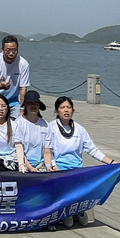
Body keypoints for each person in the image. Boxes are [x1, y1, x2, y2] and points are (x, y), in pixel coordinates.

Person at [44, 96, 115, 226]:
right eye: (62, 107)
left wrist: (110, 162)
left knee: (84, 188)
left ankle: (79, 211)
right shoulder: (51, 128)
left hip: (77, 169)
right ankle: (66, 213)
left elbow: (92, 150)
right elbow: (48, 151)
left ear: (73, 110)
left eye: (69, 107)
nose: (66, 110)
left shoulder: (80, 129)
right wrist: (53, 166)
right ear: (56, 111)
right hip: (59, 169)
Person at [0, 35, 30, 119]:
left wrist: (22, 108)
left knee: (17, 123)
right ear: (2, 50)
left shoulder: (23, 64)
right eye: (8, 50)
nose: (11, 53)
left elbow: (23, 88)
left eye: (14, 50)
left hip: (12, 101)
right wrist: (0, 86)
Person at [14, 90, 49, 172]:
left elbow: (47, 151)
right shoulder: (18, 123)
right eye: (30, 103)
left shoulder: (45, 125)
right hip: (23, 163)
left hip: (41, 164)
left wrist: (49, 166)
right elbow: (18, 148)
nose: (33, 106)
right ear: (25, 105)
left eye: (36, 104)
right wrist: (30, 168)